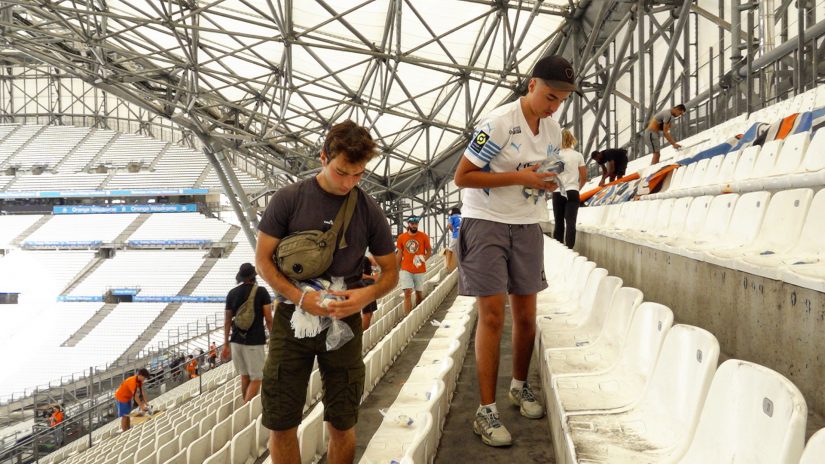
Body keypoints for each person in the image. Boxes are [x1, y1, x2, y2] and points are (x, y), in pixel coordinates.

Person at [255, 120, 399, 464]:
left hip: (345, 320)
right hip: (292, 319)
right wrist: (301, 297)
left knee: (343, 420)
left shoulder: (368, 209)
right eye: (341, 172)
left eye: (358, 175)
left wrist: (364, 296)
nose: (349, 182)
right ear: (323, 157)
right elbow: (263, 262)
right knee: (282, 421)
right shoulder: (289, 199)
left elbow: (391, 272)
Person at [453, 54, 576, 447]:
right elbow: (463, 177)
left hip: (526, 224)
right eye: (550, 96)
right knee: (491, 317)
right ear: (532, 85)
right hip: (485, 221)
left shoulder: (554, 131)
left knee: (527, 315)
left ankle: (519, 386)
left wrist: (546, 184)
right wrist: (519, 177)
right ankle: (484, 411)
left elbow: (546, 176)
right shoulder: (499, 123)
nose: (554, 105)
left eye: (560, 100)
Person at [222, 262, 273, 403]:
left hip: (236, 340)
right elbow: (268, 318)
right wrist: (273, 338)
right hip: (254, 341)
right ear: (254, 276)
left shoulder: (231, 294)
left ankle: (246, 403)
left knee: (244, 376)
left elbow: (227, 321)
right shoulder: (261, 292)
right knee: (257, 378)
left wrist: (226, 344)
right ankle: (246, 409)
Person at [554, 130, 587, 248]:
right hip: (572, 191)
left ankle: (559, 250)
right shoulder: (578, 155)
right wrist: (577, 188)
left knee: (558, 223)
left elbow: (549, 175)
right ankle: (569, 249)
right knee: (571, 223)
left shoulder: (555, 155)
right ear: (572, 139)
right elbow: (584, 177)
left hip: (558, 192)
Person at [396, 216, 432, 314]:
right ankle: (407, 316)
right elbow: (399, 254)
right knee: (407, 292)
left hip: (419, 268)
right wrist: (396, 269)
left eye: (416, 223)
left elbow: (429, 251)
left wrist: (423, 258)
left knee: (419, 294)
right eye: (412, 223)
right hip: (405, 268)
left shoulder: (423, 236)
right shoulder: (401, 237)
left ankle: (417, 314)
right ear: (409, 224)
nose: (414, 225)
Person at [359, 255, 379, 330]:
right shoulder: (364, 260)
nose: (377, 265)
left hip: (370, 289)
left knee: (370, 313)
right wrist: (372, 277)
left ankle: (364, 332)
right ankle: (362, 334)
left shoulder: (369, 263)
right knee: (367, 314)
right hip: (364, 289)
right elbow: (359, 275)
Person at [445, 207, 462, 272]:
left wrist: (453, 230)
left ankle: (447, 265)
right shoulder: (462, 216)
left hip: (456, 235)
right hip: (463, 235)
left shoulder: (452, 217)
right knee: (461, 250)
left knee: (450, 250)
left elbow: (449, 225)